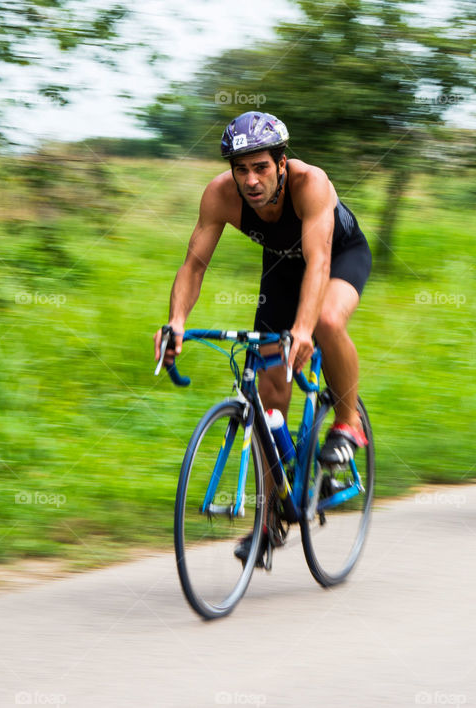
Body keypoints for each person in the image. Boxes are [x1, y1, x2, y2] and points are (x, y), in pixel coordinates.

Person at [152, 111, 372, 559]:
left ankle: (348, 425)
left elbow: (320, 264)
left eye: (261, 168)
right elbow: (194, 265)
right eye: (241, 170)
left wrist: (304, 329)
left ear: (282, 163)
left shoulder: (312, 185)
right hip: (282, 270)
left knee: (328, 323)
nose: (250, 181)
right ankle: (270, 520)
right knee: (270, 401)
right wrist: (175, 321)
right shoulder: (219, 195)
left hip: (336, 257)